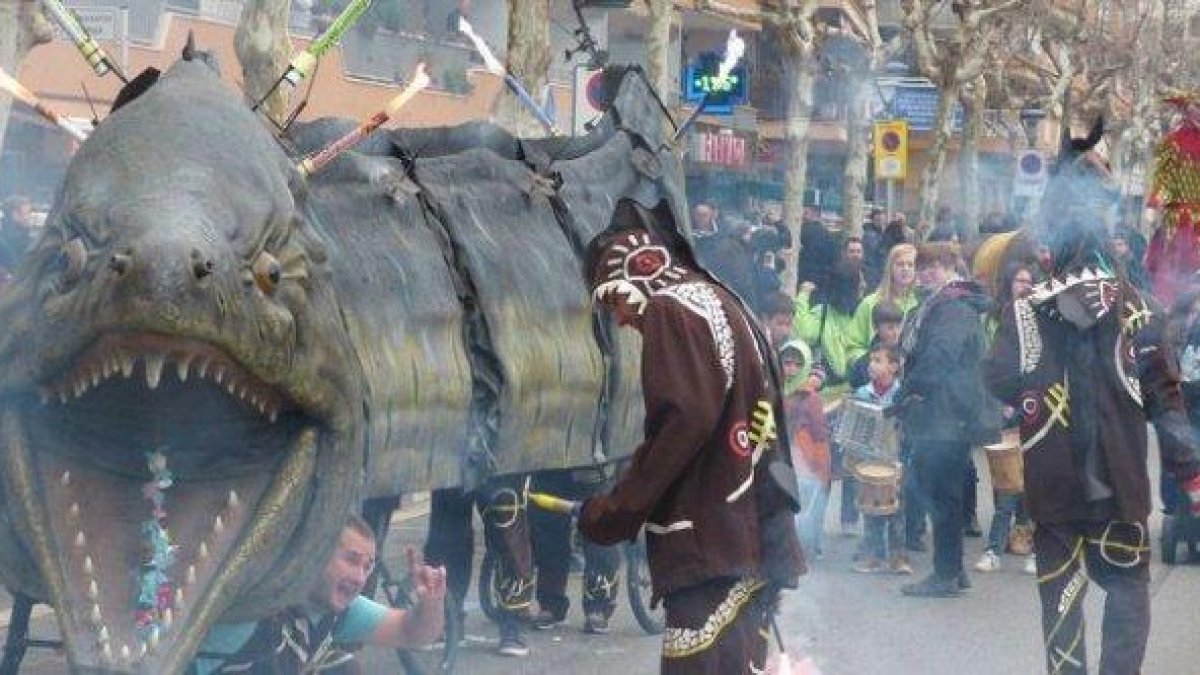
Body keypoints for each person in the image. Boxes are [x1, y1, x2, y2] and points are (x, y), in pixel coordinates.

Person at [577, 199, 805, 674]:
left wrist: (615, 511)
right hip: (751, 533)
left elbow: (683, 422)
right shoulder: (723, 300)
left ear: (641, 271)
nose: (619, 319)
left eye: (615, 300)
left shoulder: (671, 308)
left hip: (711, 540)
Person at [986, 210, 1200, 673]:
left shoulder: (1024, 310)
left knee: (1061, 606)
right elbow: (1167, 404)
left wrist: (1035, 387)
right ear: (1110, 247)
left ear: (1056, 253)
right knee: (1127, 601)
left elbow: (999, 380)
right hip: (1120, 491)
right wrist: (1192, 474)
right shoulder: (1142, 309)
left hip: (1054, 491)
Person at [192, 515, 446, 673]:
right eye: (351, 560)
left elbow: (412, 633)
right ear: (316, 554)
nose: (360, 577)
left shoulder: (341, 609)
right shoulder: (254, 610)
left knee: (343, 669)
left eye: (367, 567)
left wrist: (431, 601)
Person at [896, 242, 997, 598]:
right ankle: (953, 570)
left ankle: (946, 573)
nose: (925, 273)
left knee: (941, 496)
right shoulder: (944, 304)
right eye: (921, 266)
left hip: (945, 413)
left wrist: (909, 390)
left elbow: (939, 356)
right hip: (947, 413)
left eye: (932, 266)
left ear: (952, 266)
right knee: (947, 495)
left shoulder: (951, 307)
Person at [422, 477, 534, 657]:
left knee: (508, 528)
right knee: (448, 533)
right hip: (458, 455)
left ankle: (511, 625)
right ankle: (448, 618)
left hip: (500, 458)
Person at [975, 262, 1037, 576]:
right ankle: (993, 548)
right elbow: (993, 367)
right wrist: (1005, 400)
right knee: (1007, 485)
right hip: (1008, 415)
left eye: (1029, 281)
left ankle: (1031, 541)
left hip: (1038, 415)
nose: (1024, 285)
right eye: (1018, 280)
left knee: (1036, 486)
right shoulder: (998, 318)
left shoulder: (1043, 320)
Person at [528, 467, 620, 634]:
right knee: (548, 532)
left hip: (594, 463)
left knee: (597, 527)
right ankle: (550, 603)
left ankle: (597, 606)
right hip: (550, 462)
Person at [849, 345, 911, 576]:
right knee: (871, 509)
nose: (871, 364)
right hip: (870, 461)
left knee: (897, 509)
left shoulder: (901, 394)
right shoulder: (863, 393)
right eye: (871, 360)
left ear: (894, 367)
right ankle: (873, 556)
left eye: (878, 360)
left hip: (895, 459)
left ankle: (898, 557)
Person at [781, 340, 831, 560]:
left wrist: (819, 465)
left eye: (797, 364)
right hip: (782, 454)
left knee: (808, 505)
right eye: (787, 363)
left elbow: (819, 434)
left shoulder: (811, 398)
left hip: (806, 456)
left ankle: (807, 547)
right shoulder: (774, 389)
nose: (791, 369)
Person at [0, 195, 36, 273]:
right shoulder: (6, 243)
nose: (30, 217)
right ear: (15, 214)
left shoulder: (27, 238)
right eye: (27, 213)